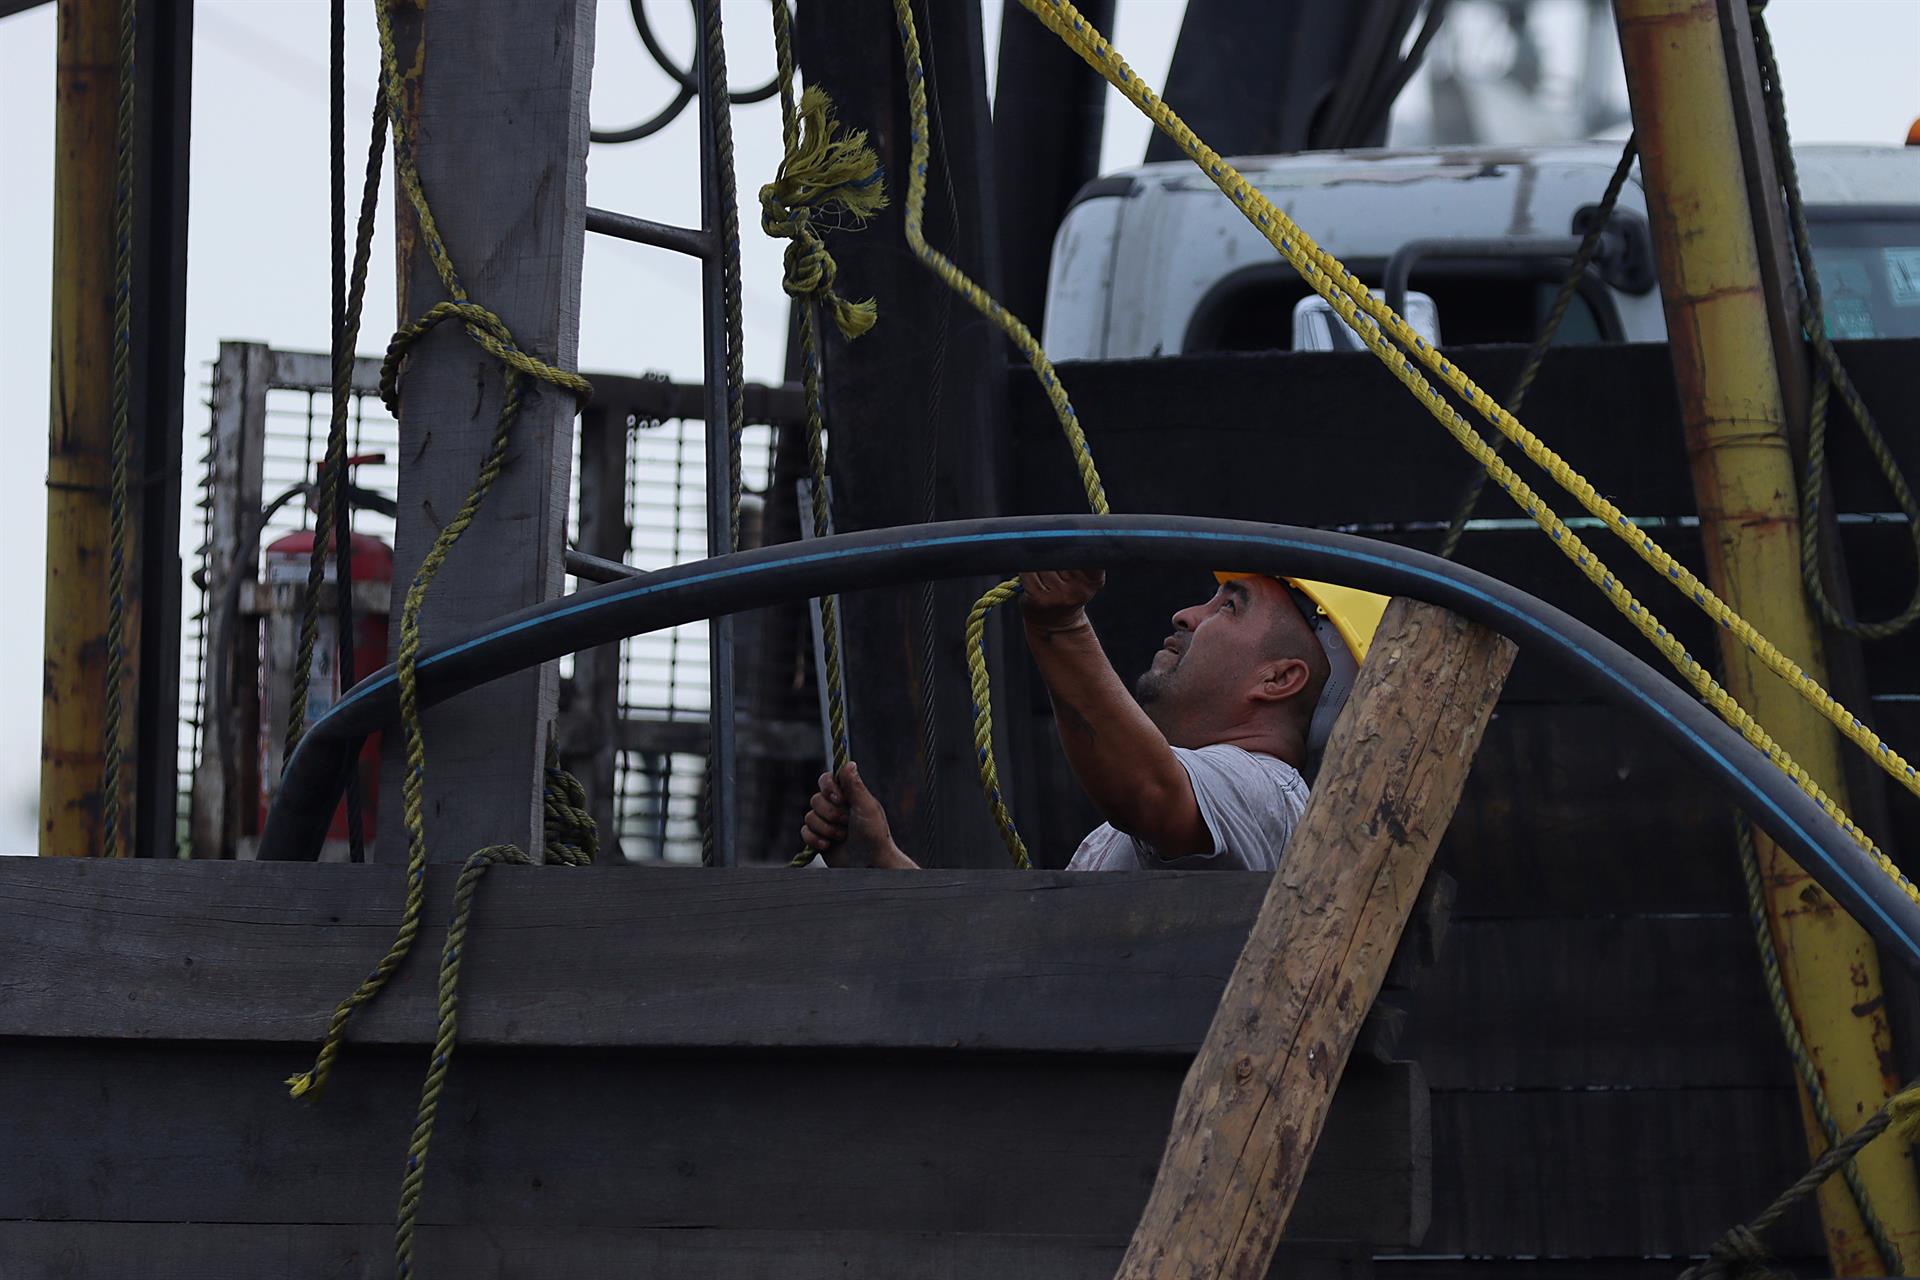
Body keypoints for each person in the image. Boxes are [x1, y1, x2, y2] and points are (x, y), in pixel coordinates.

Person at [799, 568, 1385, 871]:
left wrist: (1059, 625)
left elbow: (1149, 791)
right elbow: (1027, 975)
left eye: (1229, 605)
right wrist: (884, 865)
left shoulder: (1265, 793)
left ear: (1280, 679)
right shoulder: (1211, 804)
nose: (1186, 614)